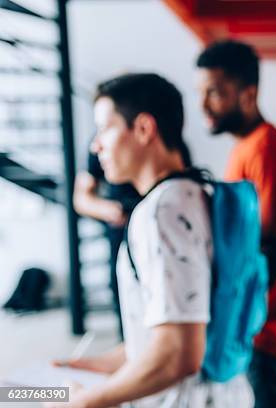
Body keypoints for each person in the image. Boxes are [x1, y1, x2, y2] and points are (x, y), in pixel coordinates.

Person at [52, 73, 252, 407]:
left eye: (104, 128)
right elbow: (175, 331)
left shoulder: (162, 212)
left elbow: (178, 355)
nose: (95, 144)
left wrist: (85, 402)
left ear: (144, 129)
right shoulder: (198, 193)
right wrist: (100, 367)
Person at [196, 40, 276, 407]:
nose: (204, 105)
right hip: (255, 328)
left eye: (215, 93)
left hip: (271, 331)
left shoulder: (268, 151)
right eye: (202, 92)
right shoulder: (247, 147)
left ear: (248, 93)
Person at [74, 141, 141, 338]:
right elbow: (81, 199)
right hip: (121, 236)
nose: (95, 146)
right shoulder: (99, 144)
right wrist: (110, 210)